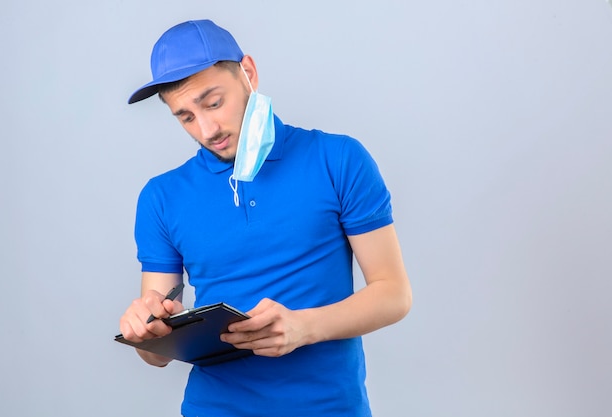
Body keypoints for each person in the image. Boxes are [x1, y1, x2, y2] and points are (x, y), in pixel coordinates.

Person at [119, 19, 412, 417]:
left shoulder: (338, 160)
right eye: (185, 117)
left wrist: (304, 327)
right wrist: (146, 333)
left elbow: (393, 293)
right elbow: (157, 353)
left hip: (328, 407)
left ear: (248, 74)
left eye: (213, 102)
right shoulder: (161, 197)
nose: (206, 129)